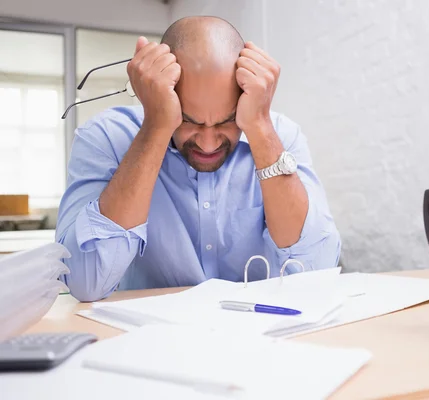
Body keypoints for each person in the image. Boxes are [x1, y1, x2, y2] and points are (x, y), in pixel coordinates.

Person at [56, 16, 341, 302]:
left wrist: (260, 128)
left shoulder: (279, 136)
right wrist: (157, 125)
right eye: (188, 121)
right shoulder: (105, 137)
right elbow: (85, 282)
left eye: (227, 121)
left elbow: (316, 270)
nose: (208, 143)